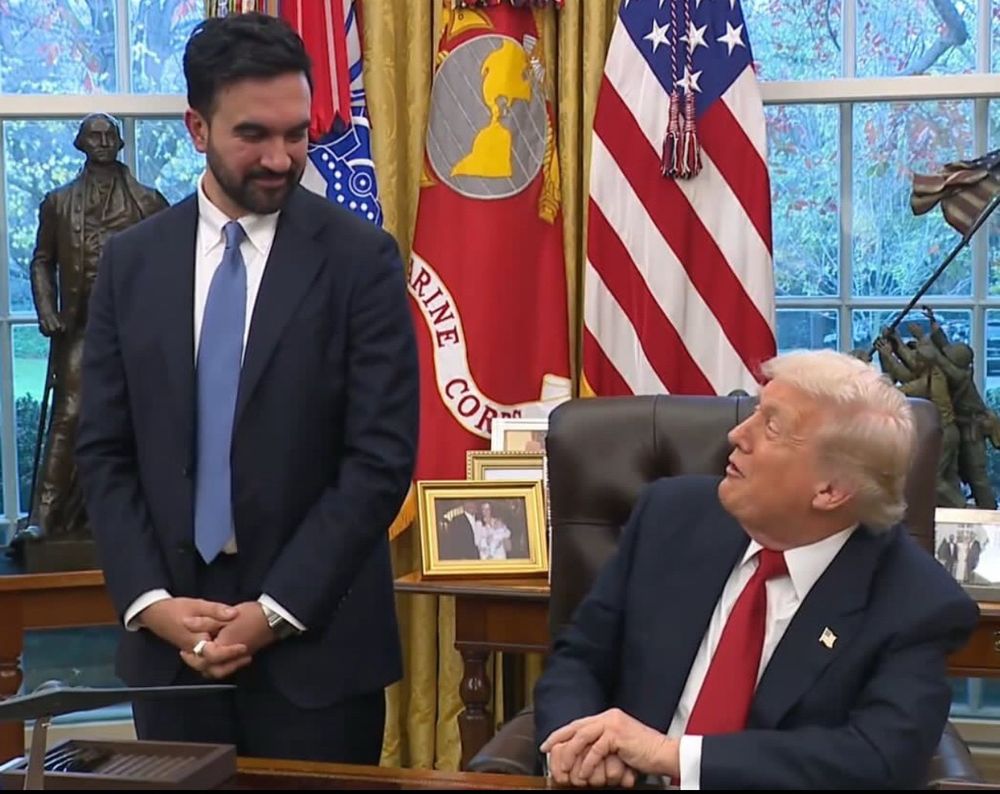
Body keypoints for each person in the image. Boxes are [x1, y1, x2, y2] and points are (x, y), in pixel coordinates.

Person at [75, 12, 418, 764]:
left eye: (295, 133)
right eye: (254, 134)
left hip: (316, 653)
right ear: (197, 128)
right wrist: (151, 604)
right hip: (171, 658)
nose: (281, 156)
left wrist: (273, 612)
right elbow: (102, 450)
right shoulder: (132, 264)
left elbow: (380, 461)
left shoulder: (362, 261)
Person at [534, 349, 978, 789]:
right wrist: (578, 743)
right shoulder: (669, 516)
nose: (736, 434)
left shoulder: (915, 603)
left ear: (830, 489)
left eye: (771, 427)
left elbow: (876, 759)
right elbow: (581, 658)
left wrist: (672, 755)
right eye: (754, 411)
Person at [22, 113, 167, 543]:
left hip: (138, 329)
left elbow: (177, 259)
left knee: (147, 419)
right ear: (80, 143)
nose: (103, 142)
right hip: (81, 328)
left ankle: (149, 518)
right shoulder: (58, 202)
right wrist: (47, 308)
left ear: (120, 143)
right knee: (69, 415)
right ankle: (43, 520)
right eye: (94, 135)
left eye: (110, 135)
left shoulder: (149, 202)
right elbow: (41, 261)